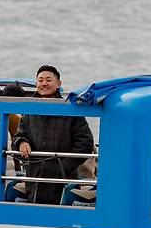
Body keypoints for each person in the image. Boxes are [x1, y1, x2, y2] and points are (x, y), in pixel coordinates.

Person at [11, 64, 94, 205]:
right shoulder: (29, 110)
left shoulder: (70, 110)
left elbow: (85, 143)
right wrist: (21, 143)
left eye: (48, 80)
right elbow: (18, 136)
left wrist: (64, 167)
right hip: (35, 180)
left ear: (59, 84)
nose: (44, 83)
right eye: (40, 80)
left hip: (63, 181)